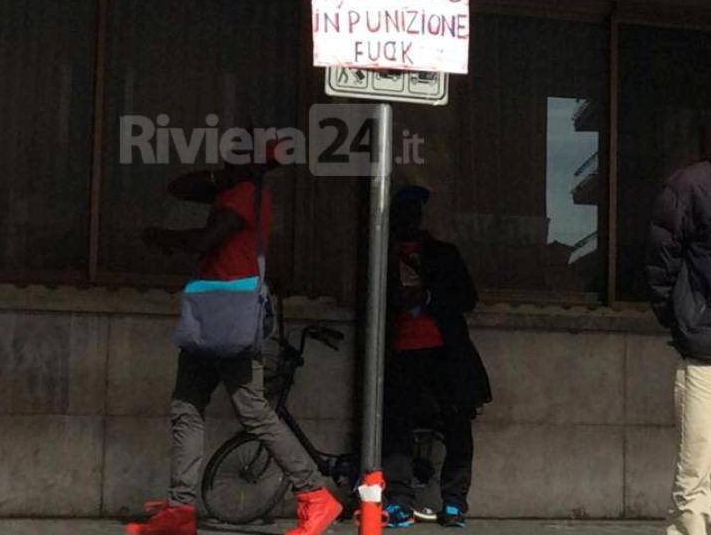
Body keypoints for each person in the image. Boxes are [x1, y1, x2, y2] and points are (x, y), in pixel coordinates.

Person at [128, 143, 342, 535]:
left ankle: (314, 494)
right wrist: (215, 179)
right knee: (187, 406)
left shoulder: (246, 193)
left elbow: (207, 240)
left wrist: (163, 237)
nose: (227, 157)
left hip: (231, 317)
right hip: (209, 314)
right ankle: (180, 510)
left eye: (238, 154)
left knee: (253, 410)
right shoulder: (230, 189)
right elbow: (178, 187)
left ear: (256, 163)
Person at [382, 186, 491, 529]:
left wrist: (427, 296)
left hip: (445, 352)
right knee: (397, 427)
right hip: (401, 352)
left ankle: (455, 502)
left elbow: (467, 298)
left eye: (414, 212)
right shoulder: (382, 256)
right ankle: (399, 500)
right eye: (403, 213)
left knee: (457, 423)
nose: (409, 220)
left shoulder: (443, 254)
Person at [645, 127, 711, 535]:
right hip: (704, 351)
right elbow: (660, 262)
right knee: (697, 471)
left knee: (697, 474)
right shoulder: (692, 185)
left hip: (699, 337)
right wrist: (682, 318)